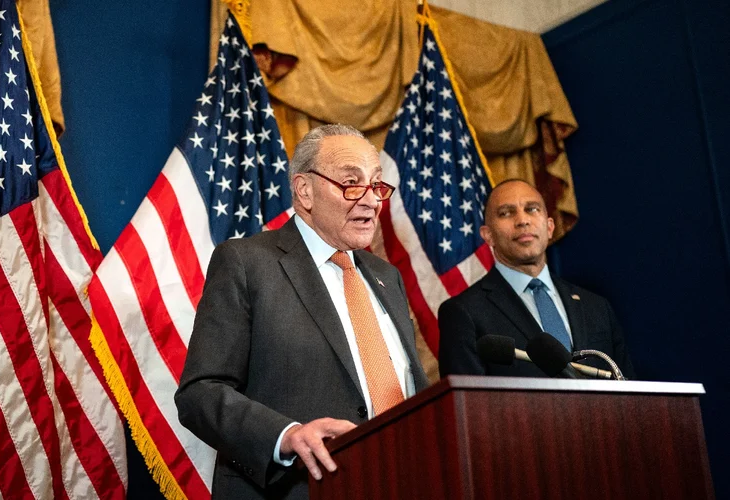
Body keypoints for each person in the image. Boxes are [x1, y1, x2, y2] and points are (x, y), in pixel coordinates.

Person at [175, 124, 430, 499]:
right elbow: (200, 393)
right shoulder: (248, 263)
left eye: (376, 185)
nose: (372, 201)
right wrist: (287, 435)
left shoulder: (385, 276)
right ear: (304, 190)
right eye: (351, 183)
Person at [438, 179, 634, 379]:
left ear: (550, 227)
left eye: (532, 209)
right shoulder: (464, 313)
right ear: (488, 235)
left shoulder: (597, 307)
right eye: (506, 213)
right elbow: (466, 404)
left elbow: (629, 394)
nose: (522, 220)